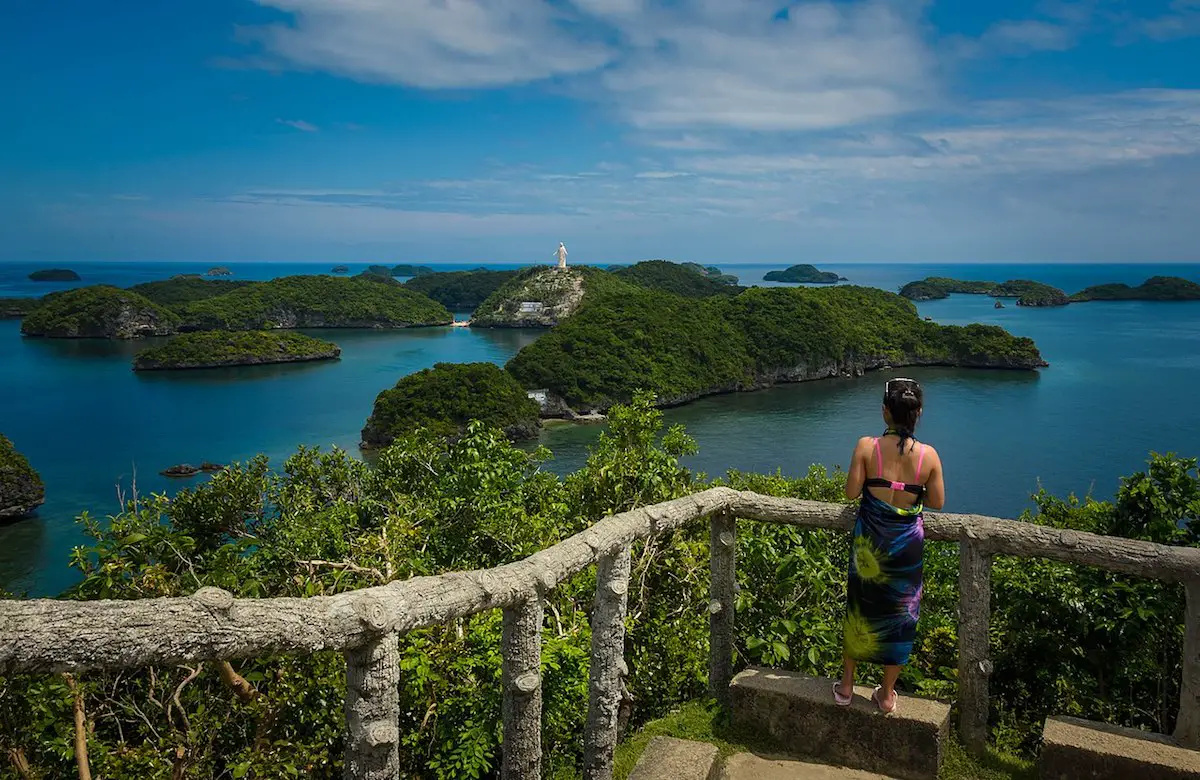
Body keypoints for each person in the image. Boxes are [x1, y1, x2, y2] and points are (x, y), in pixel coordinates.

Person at [833, 377, 945, 714]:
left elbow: (852, 492)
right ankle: (885, 693)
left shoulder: (866, 447)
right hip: (906, 547)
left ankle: (848, 685)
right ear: (918, 413)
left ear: (885, 412)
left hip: (870, 544)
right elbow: (937, 501)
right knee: (901, 616)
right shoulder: (929, 455)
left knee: (859, 610)